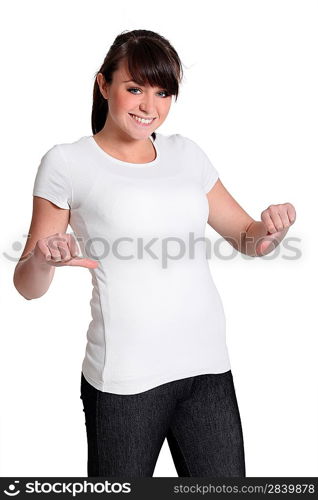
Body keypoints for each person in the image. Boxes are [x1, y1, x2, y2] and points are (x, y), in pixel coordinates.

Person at [13, 29, 296, 478]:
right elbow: (27, 287)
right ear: (104, 85)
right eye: (134, 88)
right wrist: (45, 259)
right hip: (124, 381)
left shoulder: (187, 155)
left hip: (207, 370)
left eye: (163, 92)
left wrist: (271, 230)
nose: (150, 106)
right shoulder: (67, 163)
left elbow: (246, 237)